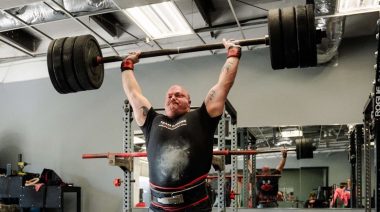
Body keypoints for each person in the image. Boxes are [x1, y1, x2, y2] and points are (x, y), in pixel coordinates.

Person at [121, 39, 241, 211]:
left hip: (194, 206)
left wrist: (233, 53)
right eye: (169, 96)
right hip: (157, 207)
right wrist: (127, 64)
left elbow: (223, 85)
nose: (173, 98)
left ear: (189, 101)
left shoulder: (202, 117)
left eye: (179, 95)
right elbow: (133, 93)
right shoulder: (152, 121)